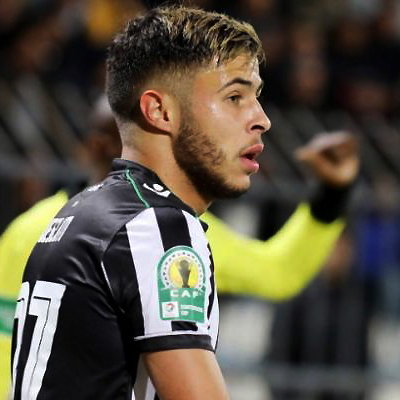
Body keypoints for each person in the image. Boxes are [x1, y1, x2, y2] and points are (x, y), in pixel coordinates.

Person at [1, 100, 359, 399]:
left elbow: (276, 272)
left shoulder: (174, 228)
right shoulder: (162, 231)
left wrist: (332, 197)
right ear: (99, 147)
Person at [10, 6, 270, 399]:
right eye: (234, 96)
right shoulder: (157, 227)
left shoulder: (81, 211)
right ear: (160, 111)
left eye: (256, 97)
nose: (261, 119)